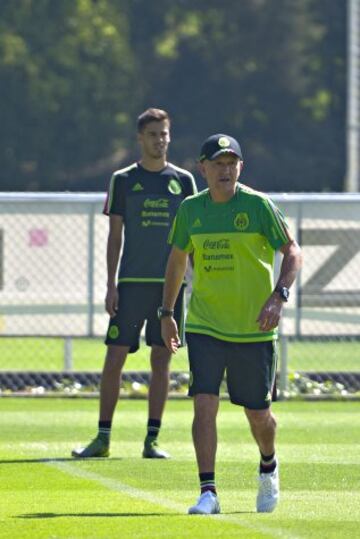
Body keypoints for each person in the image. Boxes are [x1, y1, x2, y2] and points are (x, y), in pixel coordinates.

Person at [159, 134, 302, 513]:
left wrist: (278, 295)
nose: (226, 170)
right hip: (205, 325)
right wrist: (168, 313)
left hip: (254, 328)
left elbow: (292, 251)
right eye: (218, 163)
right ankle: (209, 492)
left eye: (232, 163)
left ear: (241, 167)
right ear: (202, 168)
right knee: (204, 404)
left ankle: (268, 464)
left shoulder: (258, 207)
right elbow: (176, 262)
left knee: (259, 415)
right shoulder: (191, 210)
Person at [72, 108, 197, 459]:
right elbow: (115, 237)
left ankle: (152, 440)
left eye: (165, 134)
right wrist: (111, 284)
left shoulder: (184, 182)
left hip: (169, 288)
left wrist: (192, 279)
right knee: (114, 359)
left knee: (162, 361)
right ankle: (102, 438)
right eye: (154, 134)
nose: (160, 140)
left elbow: (192, 236)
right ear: (140, 139)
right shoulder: (123, 180)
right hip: (130, 285)